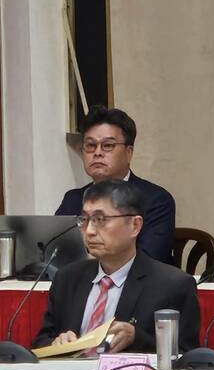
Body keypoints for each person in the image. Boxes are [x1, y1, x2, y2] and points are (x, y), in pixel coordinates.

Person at [35, 179, 199, 353]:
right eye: (84, 220)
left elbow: (186, 355)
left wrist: (137, 338)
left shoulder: (172, 285)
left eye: (100, 219)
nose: (89, 231)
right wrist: (56, 343)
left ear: (135, 225)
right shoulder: (67, 278)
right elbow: (40, 342)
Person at [56, 106, 176, 263]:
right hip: (79, 278)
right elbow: (54, 255)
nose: (97, 153)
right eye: (90, 145)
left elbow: (147, 260)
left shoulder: (156, 200)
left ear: (129, 152)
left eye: (107, 145)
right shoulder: (73, 199)